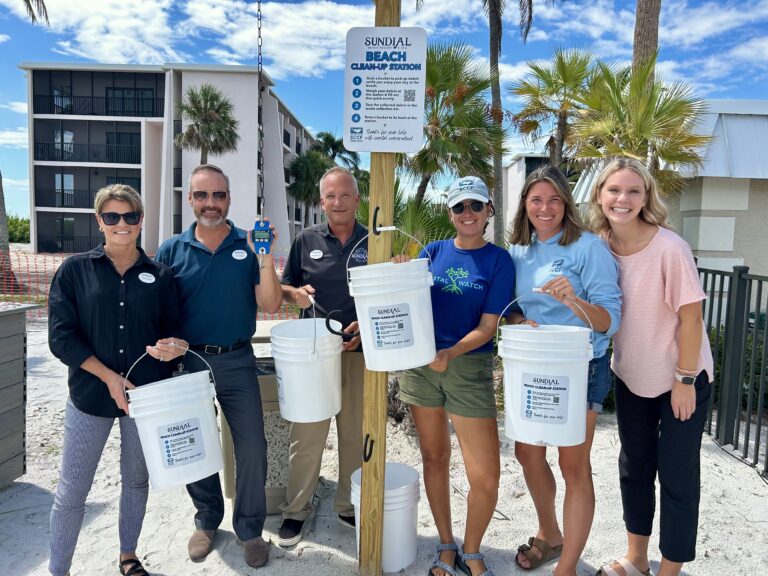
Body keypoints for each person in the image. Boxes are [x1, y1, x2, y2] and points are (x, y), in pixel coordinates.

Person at [48, 184, 188, 576]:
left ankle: (128, 556)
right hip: (90, 397)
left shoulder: (161, 275)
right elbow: (61, 337)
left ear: (141, 220)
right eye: (112, 216)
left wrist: (175, 346)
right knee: (73, 489)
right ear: (99, 221)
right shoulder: (75, 271)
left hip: (145, 399)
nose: (121, 224)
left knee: (136, 481)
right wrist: (109, 377)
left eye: (130, 216)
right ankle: (59, 569)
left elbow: (175, 330)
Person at [587, 158, 713, 576]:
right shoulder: (597, 246)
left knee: (677, 477)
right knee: (634, 468)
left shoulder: (669, 248)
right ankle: (637, 559)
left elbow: (691, 319)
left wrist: (684, 380)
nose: (622, 199)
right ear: (600, 195)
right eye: (614, 190)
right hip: (631, 376)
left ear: (646, 198)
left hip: (683, 376)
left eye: (633, 191)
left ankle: (669, 571)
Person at [154, 164, 282, 569]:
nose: (211, 204)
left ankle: (249, 529)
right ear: (190, 199)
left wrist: (263, 257)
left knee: (253, 446)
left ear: (228, 198)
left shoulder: (247, 246)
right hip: (188, 364)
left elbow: (271, 304)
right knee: (195, 443)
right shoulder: (171, 249)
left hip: (236, 360)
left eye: (219, 195)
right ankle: (207, 520)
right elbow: (155, 310)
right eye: (202, 195)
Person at [395, 176, 514, 576]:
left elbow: (488, 326)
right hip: (421, 367)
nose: (467, 214)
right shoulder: (431, 252)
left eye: (475, 206)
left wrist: (451, 351)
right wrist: (399, 273)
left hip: (467, 366)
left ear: (488, 212)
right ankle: (446, 544)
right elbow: (406, 303)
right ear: (450, 212)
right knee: (434, 457)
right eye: (460, 206)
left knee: (485, 474)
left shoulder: (499, 260)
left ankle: (473, 548)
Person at [506, 165, 622, 575]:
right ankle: (550, 533)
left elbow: (611, 320)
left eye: (554, 199)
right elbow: (514, 309)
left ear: (566, 204)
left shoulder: (589, 248)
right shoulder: (518, 251)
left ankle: (567, 564)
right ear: (525, 204)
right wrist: (519, 322)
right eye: (536, 199)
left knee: (574, 465)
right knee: (527, 453)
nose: (545, 207)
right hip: (533, 367)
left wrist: (574, 301)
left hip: (580, 368)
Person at [275, 166, 366, 546]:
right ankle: (296, 511)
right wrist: (292, 294)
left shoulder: (373, 241)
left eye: (345, 194)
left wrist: (366, 323)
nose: (338, 202)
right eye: (331, 196)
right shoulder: (305, 239)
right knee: (307, 435)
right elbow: (284, 286)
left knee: (354, 433)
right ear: (321, 201)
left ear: (357, 199)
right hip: (313, 353)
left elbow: (388, 294)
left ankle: (347, 504)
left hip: (360, 352)